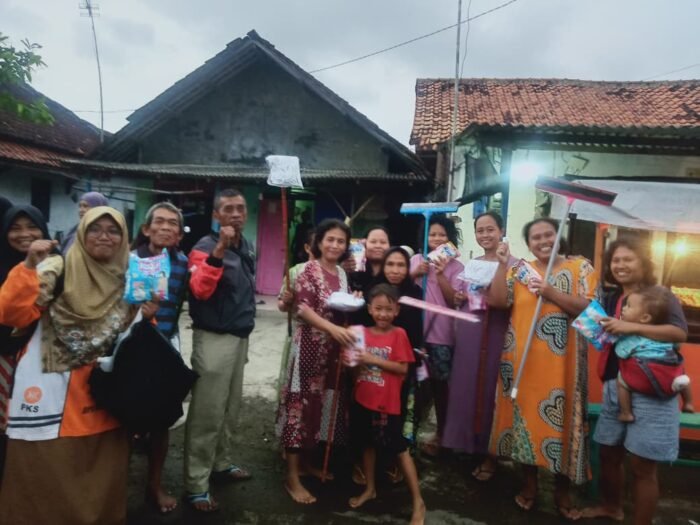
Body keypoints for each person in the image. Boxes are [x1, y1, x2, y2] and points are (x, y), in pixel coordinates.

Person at [0, 206, 158, 524]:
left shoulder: (131, 275)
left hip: (106, 396)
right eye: (94, 229)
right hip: (52, 393)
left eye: (113, 230)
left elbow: (135, 337)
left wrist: (148, 315)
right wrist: (29, 266)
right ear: (82, 233)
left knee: (99, 482)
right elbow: (11, 313)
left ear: (124, 237)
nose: (104, 236)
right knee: (46, 481)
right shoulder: (55, 268)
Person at [488, 217, 598, 520]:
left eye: (548, 234)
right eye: (535, 237)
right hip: (521, 363)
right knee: (525, 424)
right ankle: (530, 485)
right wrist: (501, 265)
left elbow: (592, 313)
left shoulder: (581, 268)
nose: (543, 241)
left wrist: (551, 292)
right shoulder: (519, 270)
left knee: (562, 426)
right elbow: (498, 301)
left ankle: (562, 491)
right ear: (528, 243)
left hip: (564, 366)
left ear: (558, 237)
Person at [582, 238, 688, 525]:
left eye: (628, 259)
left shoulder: (660, 295)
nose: (620, 265)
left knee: (643, 464)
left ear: (643, 262)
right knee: (608, 454)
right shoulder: (610, 297)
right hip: (614, 386)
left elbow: (679, 333)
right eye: (615, 260)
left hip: (651, 390)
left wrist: (629, 326)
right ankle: (611, 507)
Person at [184, 189, 255, 512]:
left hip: (240, 336)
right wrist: (220, 248)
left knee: (229, 408)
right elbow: (200, 289)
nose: (236, 214)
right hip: (213, 338)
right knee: (207, 413)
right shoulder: (203, 247)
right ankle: (196, 484)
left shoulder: (246, 245)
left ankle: (221, 463)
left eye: (241, 208)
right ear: (216, 215)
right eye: (228, 209)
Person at [276, 218, 356, 504]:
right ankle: (292, 477)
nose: (335, 245)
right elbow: (302, 309)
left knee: (322, 406)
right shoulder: (309, 270)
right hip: (309, 346)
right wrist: (333, 328)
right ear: (319, 242)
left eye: (341, 241)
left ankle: (308, 462)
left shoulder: (342, 274)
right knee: (299, 406)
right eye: (330, 239)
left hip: (333, 351)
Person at [344, 284, 426, 525]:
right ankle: (370, 488)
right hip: (364, 399)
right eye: (378, 308)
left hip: (387, 405)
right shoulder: (361, 333)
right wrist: (350, 361)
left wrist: (372, 358)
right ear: (369, 309)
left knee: (400, 451)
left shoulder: (399, 334)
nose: (383, 314)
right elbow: (354, 368)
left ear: (397, 310)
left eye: (388, 309)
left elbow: (402, 369)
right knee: (368, 445)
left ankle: (418, 502)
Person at [444, 211, 517, 481]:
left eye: (490, 229)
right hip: (470, 331)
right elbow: (459, 297)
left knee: (491, 390)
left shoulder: (514, 264)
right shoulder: (472, 264)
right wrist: (459, 296)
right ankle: (469, 444)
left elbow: (508, 302)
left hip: (497, 331)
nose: (485, 235)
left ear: (501, 231)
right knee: (466, 386)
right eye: (480, 230)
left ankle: (491, 452)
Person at [132, 202, 188, 514]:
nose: (165, 227)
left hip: (165, 345)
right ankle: (113, 486)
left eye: (172, 224)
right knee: (123, 420)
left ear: (179, 234)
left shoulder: (182, 263)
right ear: (146, 228)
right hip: (130, 346)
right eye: (160, 222)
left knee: (162, 421)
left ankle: (154, 485)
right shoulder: (130, 259)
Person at [0, 204, 49, 477]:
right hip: (4, 360)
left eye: (32, 227)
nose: (24, 234)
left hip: (41, 361)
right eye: (15, 228)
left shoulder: (56, 265)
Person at [409, 215, 464, 456]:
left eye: (442, 234)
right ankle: (409, 435)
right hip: (415, 335)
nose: (437, 239)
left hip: (442, 337)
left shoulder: (457, 268)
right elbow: (400, 288)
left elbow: (454, 302)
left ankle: (443, 435)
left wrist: (441, 274)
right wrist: (415, 273)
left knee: (441, 389)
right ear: (425, 237)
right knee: (415, 387)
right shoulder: (416, 260)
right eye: (432, 234)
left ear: (450, 238)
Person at [614, 287, 693, 422]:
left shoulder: (632, 338)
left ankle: (626, 413)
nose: (624, 308)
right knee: (682, 375)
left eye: (629, 306)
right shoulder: (664, 336)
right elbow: (677, 346)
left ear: (645, 318)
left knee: (621, 381)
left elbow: (621, 353)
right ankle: (688, 403)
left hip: (645, 377)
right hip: (669, 378)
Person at [277, 228, 315, 401]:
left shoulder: (335, 272)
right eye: (316, 244)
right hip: (300, 335)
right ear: (307, 248)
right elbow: (281, 306)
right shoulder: (295, 272)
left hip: (327, 337)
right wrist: (287, 301)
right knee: (296, 382)